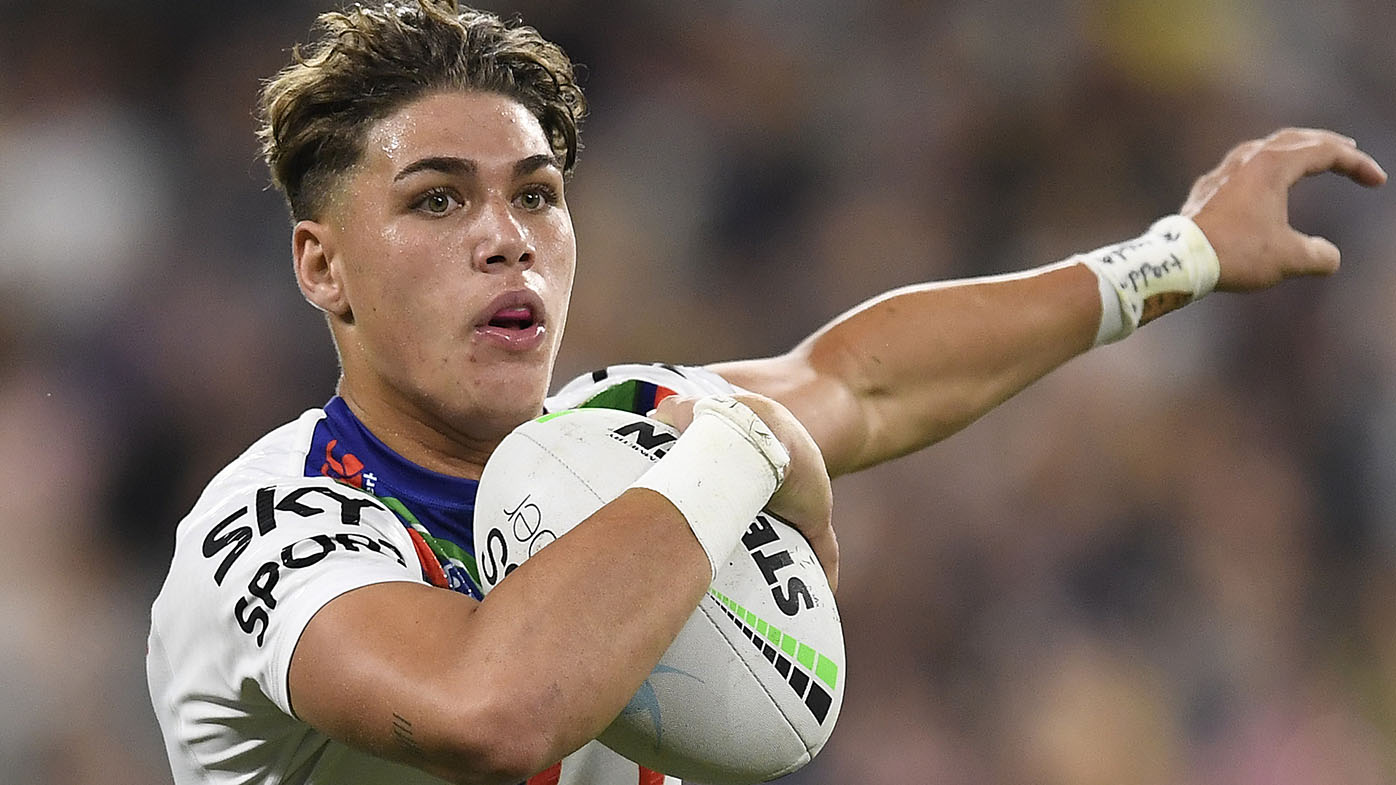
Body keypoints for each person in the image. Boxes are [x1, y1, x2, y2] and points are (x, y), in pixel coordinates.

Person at [144, 2, 1386, 784]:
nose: (507, 237)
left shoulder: (615, 444)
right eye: (436, 199)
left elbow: (859, 380)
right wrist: (738, 441)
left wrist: (1177, 256)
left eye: (536, 194)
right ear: (322, 265)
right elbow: (494, 710)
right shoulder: (284, 523)